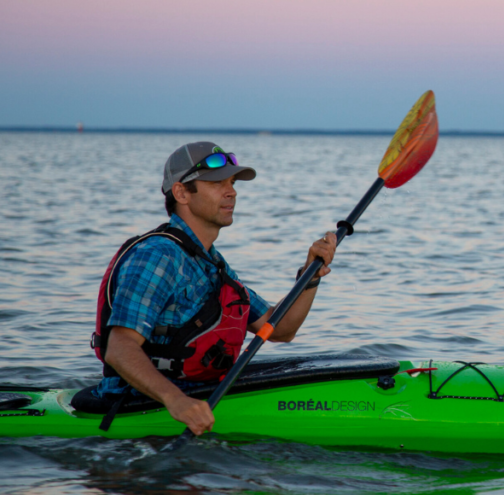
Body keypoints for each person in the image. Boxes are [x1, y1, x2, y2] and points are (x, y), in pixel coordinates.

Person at [90, 141, 335, 436]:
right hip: (138, 406)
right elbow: (119, 348)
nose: (231, 191)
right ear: (182, 192)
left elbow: (279, 329)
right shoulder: (158, 255)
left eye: (232, 183)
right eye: (217, 183)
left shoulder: (210, 261)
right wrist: (177, 402)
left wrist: (310, 276)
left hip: (198, 393)